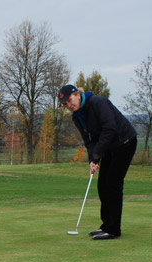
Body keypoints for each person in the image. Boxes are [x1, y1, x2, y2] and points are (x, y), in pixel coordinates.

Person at [59, 84, 137, 240]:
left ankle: (114, 230)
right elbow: (89, 140)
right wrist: (92, 160)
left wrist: (97, 154)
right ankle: (106, 226)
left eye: (70, 100)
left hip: (124, 142)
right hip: (108, 146)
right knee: (102, 185)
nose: (69, 105)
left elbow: (110, 128)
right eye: (65, 104)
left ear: (77, 95)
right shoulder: (77, 116)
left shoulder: (97, 102)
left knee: (113, 184)